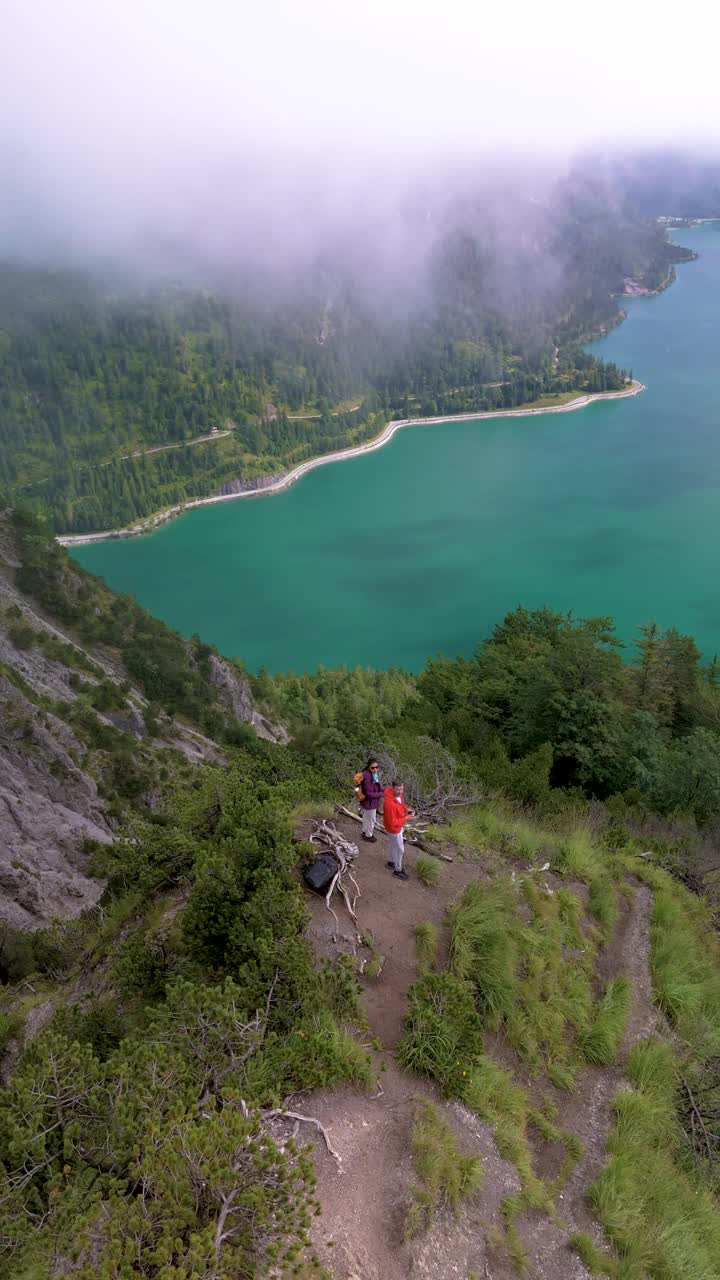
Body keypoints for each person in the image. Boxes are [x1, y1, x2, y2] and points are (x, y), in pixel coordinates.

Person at [383, 779, 415, 880]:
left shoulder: (397, 796)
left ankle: (391, 862)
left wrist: (406, 810)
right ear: (392, 788)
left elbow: (401, 804)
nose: (400, 792)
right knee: (400, 849)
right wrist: (406, 818)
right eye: (398, 790)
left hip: (396, 827)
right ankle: (398, 870)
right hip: (394, 829)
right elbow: (393, 822)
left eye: (402, 789)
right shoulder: (389, 804)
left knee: (394, 845)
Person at [359, 758, 383, 842]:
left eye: (376, 767)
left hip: (368, 802)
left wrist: (381, 790)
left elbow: (377, 786)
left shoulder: (373, 774)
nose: (375, 769)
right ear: (369, 767)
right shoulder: (367, 776)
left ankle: (364, 832)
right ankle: (368, 836)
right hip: (370, 802)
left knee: (366, 817)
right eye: (373, 768)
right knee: (372, 819)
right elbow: (369, 794)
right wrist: (381, 794)